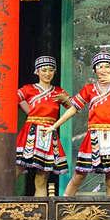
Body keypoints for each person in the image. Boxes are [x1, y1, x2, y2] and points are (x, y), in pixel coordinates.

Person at [48, 51, 110, 196]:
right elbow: (73, 108)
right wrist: (55, 125)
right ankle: (63, 205)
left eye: (107, 66)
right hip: (93, 137)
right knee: (79, 176)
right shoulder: (89, 89)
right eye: (100, 66)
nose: (103, 69)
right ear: (94, 70)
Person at [15, 56, 71, 196]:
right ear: (37, 71)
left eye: (51, 70)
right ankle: (2, 202)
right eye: (44, 70)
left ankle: (40, 208)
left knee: (42, 179)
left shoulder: (59, 92)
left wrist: (66, 100)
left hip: (49, 133)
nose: (47, 73)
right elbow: (8, 99)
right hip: (31, 132)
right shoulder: (28, 89)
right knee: (16, 170)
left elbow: (75, 108)